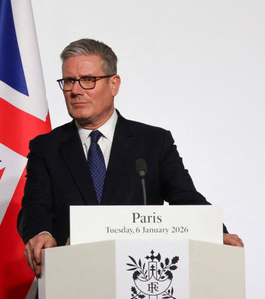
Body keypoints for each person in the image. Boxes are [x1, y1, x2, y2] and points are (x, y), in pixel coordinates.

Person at [19, 38, 242, 277]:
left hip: (138, 280)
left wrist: (214, 232)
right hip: (70, 279)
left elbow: (185, 198)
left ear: (114, 84)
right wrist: (41, 233)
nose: (75, 90)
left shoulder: (154, 142)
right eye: (69, 81)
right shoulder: (47, 147)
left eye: (88, 80)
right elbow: (35, 207)